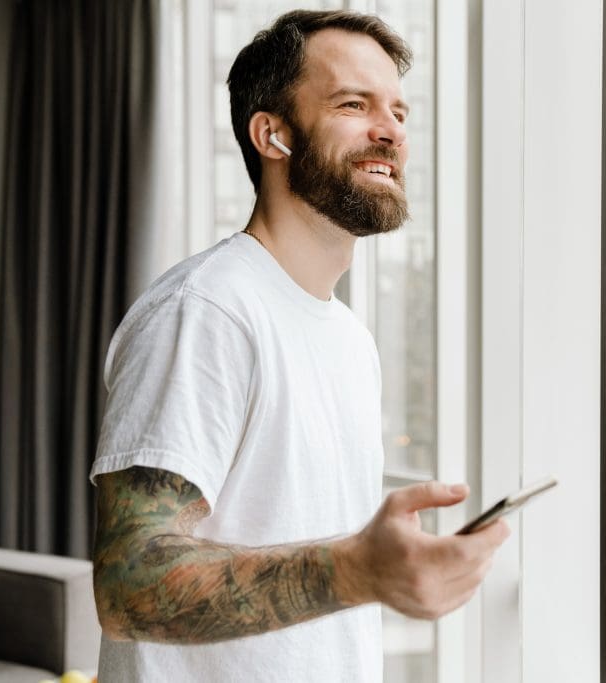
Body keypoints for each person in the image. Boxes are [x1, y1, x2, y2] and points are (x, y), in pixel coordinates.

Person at [89, 9, 509, 682]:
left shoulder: (350, 340)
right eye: (354, 104)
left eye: (400, 113)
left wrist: (381, 568)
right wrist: (358, 569)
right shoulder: (205, 311)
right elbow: (128, 584)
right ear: (273, 134)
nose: (390, 130)